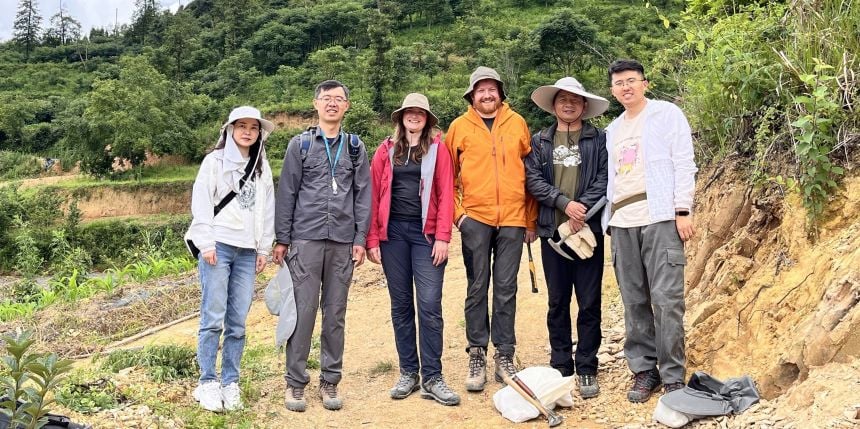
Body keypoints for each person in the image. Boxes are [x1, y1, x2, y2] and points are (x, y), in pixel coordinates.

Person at [272, 80, 371, 412]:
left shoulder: (356, 147)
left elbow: (363, 196)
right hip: (306, 239)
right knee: (302, 313)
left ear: (347, 106)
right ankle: (295, 383)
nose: (332, 104)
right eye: (326, 99)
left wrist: (360, 239)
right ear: (315, 104)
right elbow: (287, 193)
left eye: (339, 99)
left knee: (335, 315)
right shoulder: (299, 145)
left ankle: (330, 381)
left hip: (343, 241)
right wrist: (282, 239)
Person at [603, 59, 697, 403]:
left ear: (645, 83)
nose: (625, 87)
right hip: (622, 221)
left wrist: (682, 209)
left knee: (667, 299)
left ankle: (673, 376)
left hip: (660, 218)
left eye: (631, 80)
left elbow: (684, 161)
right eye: (619, 83)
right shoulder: (612, 130)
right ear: (612, 91)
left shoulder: (666, 114)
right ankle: (645, 372)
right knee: (634, 301)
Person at [445, 66, 537, 392]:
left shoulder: (518, 124)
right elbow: (448, 177)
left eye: (492, 90)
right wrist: (459, 216)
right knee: (477, 285)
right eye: (480, 90)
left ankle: (505, 354)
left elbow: (531, 176)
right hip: (476, 218)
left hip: (513, 218)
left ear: (500, 93)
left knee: (506, 287)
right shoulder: (458, 128)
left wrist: (529, 219)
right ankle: (477, 352)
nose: (487, 95)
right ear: (472, 95)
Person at [366, 93, 460, 406]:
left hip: (427, 235)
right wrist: (372, 238)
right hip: (393, 235)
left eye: (421, 113)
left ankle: (433, 376)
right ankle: (409, 371)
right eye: (410, 112)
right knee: (401, 304)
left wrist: (444, 236)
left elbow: (447, 193)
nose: (415, 116)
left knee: (430, 304)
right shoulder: (385, 150)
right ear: (401, 117)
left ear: (427, 119)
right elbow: (372, 192)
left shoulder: (438, 149)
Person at [186, 106, 276, 412]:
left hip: (247, 251)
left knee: (237, 321)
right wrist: (205, 242)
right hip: (219, 246)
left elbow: (267, 207)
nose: (248, 131)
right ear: (230, 129)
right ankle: (207, 382)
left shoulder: (261, 165)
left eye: (253, 127)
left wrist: (264, 248)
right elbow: (201, 200)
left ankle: (231, 382)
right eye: (242, 126)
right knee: (212, 317)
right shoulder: (214, 161)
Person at [525, 77, 609, 399]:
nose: (569, 104)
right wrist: (565, 204)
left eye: (575, 99)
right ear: (554, 104)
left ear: (584, 106)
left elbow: (604, 177)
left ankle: (587, 366)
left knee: (589, 302)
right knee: (557, 301)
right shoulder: (541, 141)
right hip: (552, 234)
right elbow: (533, 180)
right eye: (563, 99)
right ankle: (561, 364)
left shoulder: (598, 140)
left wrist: (582, 211)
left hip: (589, 233)